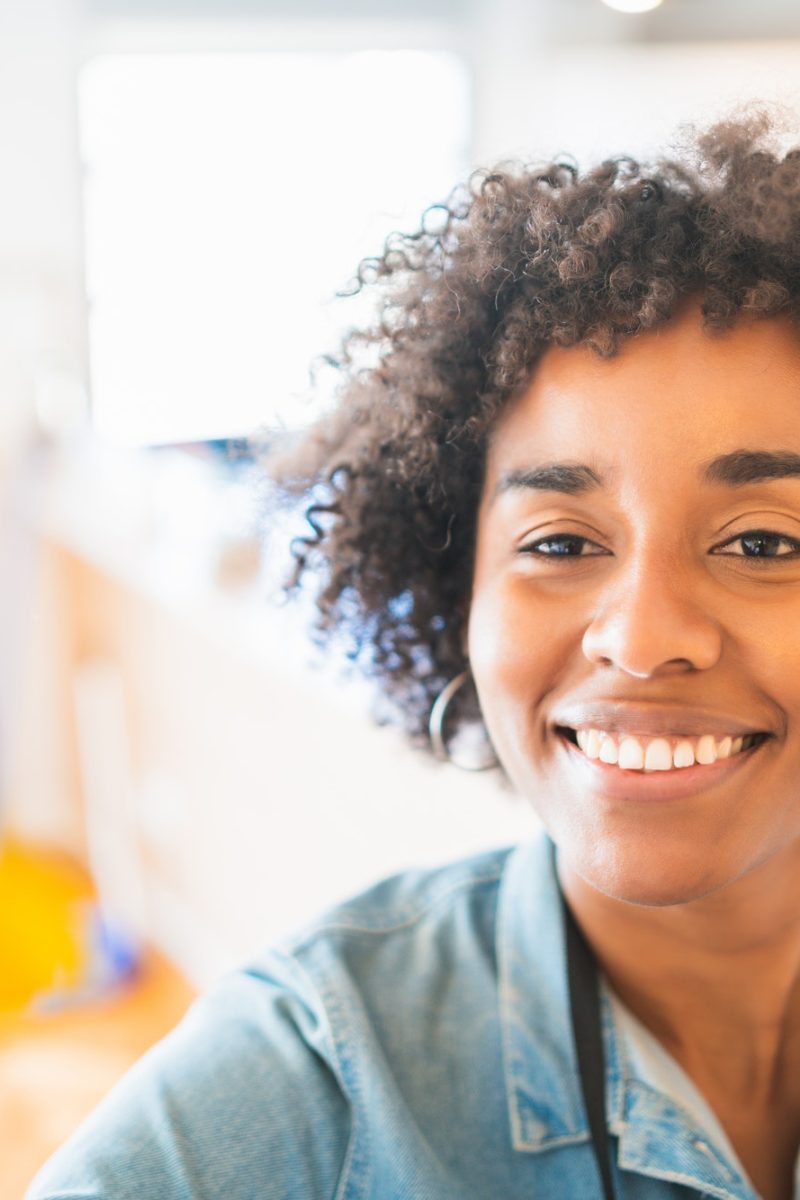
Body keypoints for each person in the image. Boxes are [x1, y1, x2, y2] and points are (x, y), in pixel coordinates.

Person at [28, 109, 800, 1200]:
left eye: (762, 542)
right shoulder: (318, 1082)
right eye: (560, 543)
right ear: (457, 588)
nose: (639, 636)